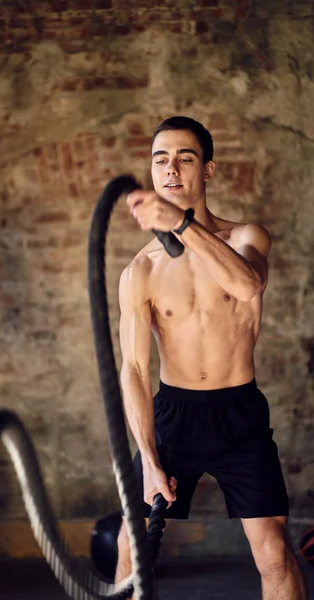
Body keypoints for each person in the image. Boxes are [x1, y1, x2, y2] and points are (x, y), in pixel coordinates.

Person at [116, 116, 308, 600]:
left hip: (238, 414)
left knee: (272, 552)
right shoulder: (140, 270)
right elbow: (135, 371)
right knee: (130, 545)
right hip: (174, 415)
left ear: (209, 169)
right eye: (161, 160)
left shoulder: (246, 239)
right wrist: (150, 457)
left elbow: (247, 285)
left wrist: (181, 224)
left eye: (185, 158)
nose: (172, 169)